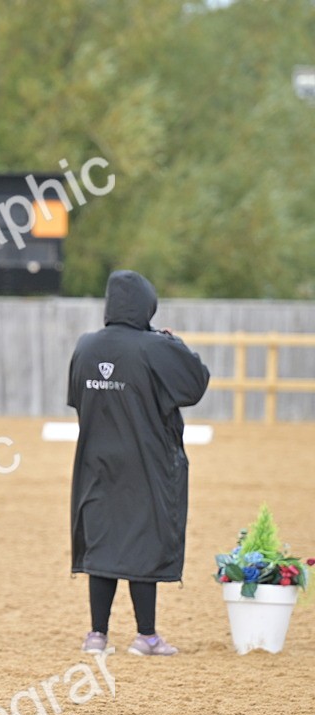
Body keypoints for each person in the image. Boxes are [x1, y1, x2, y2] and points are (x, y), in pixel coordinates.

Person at [68, 270, 210, 656]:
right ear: (147, 304)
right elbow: (196, 383)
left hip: (96, 462)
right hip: (146, 462)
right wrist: (172, 341)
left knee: (102, 542)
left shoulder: (85, 346)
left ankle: (97, 635)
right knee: (143, 541)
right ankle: (146, 636)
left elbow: (77, 398)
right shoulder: (155, 346)